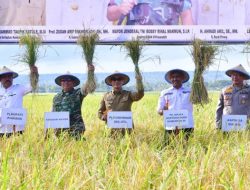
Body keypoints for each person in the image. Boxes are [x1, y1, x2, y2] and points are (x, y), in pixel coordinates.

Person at [52, 64, 95, 140]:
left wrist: (90, 73)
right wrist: (47, 133)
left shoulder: (78, 93)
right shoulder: (56, 97)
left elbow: (89, 87)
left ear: (73, 83)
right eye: (64, 80)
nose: (66, 82)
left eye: (69, 80)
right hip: (59, 132)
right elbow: (52, 114)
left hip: (75, 130)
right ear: (61, 83)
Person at [157, 69, 194, 143]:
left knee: (188, 148)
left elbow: (200, 100)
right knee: (169, 148)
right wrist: (163, 111)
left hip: (187, 125)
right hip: (171, 126)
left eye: (178, 77)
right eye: (173, 77)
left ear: (182, 78)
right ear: (170, 79)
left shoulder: (191, 91)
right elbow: (159, 111)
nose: (175, 79)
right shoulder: (165, 93)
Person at [0, 66, 38, 137]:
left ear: (12, 78)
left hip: (17, 129)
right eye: (4, 76)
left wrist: (34, 74)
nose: (7, 78)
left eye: (9, 76)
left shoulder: (19, 88)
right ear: (0, 79)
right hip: (1, 129)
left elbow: (32, 86)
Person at [216, 64, 250, 129]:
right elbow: (219, 109)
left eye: (238, 75)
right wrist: (218, 124)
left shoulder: (248, 90)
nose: (235, 77)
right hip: (227, 125)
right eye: (233, 75)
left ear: (243, 77)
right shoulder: (224, 90)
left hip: (244, 126)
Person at [107, 0, 193, 25]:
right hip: (135, 47)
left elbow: (186, 16)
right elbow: (109, 15)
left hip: (170, 48)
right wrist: (119, 9)